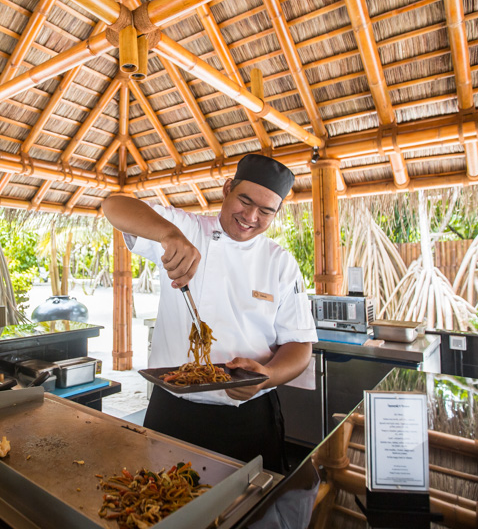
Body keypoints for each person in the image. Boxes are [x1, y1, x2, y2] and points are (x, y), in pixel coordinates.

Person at [102, 153, 317, 473]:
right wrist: (167, 234)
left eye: (266, 211)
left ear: (277, 212)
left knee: (250, 514)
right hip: (174, 411)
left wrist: (264, 378)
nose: (251, 216)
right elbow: (113, 205)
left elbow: (299, 346)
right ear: (228, 188)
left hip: (249, 415)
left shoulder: (280, 263)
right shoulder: (186, 228)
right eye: (244, 201)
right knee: (163, 507)